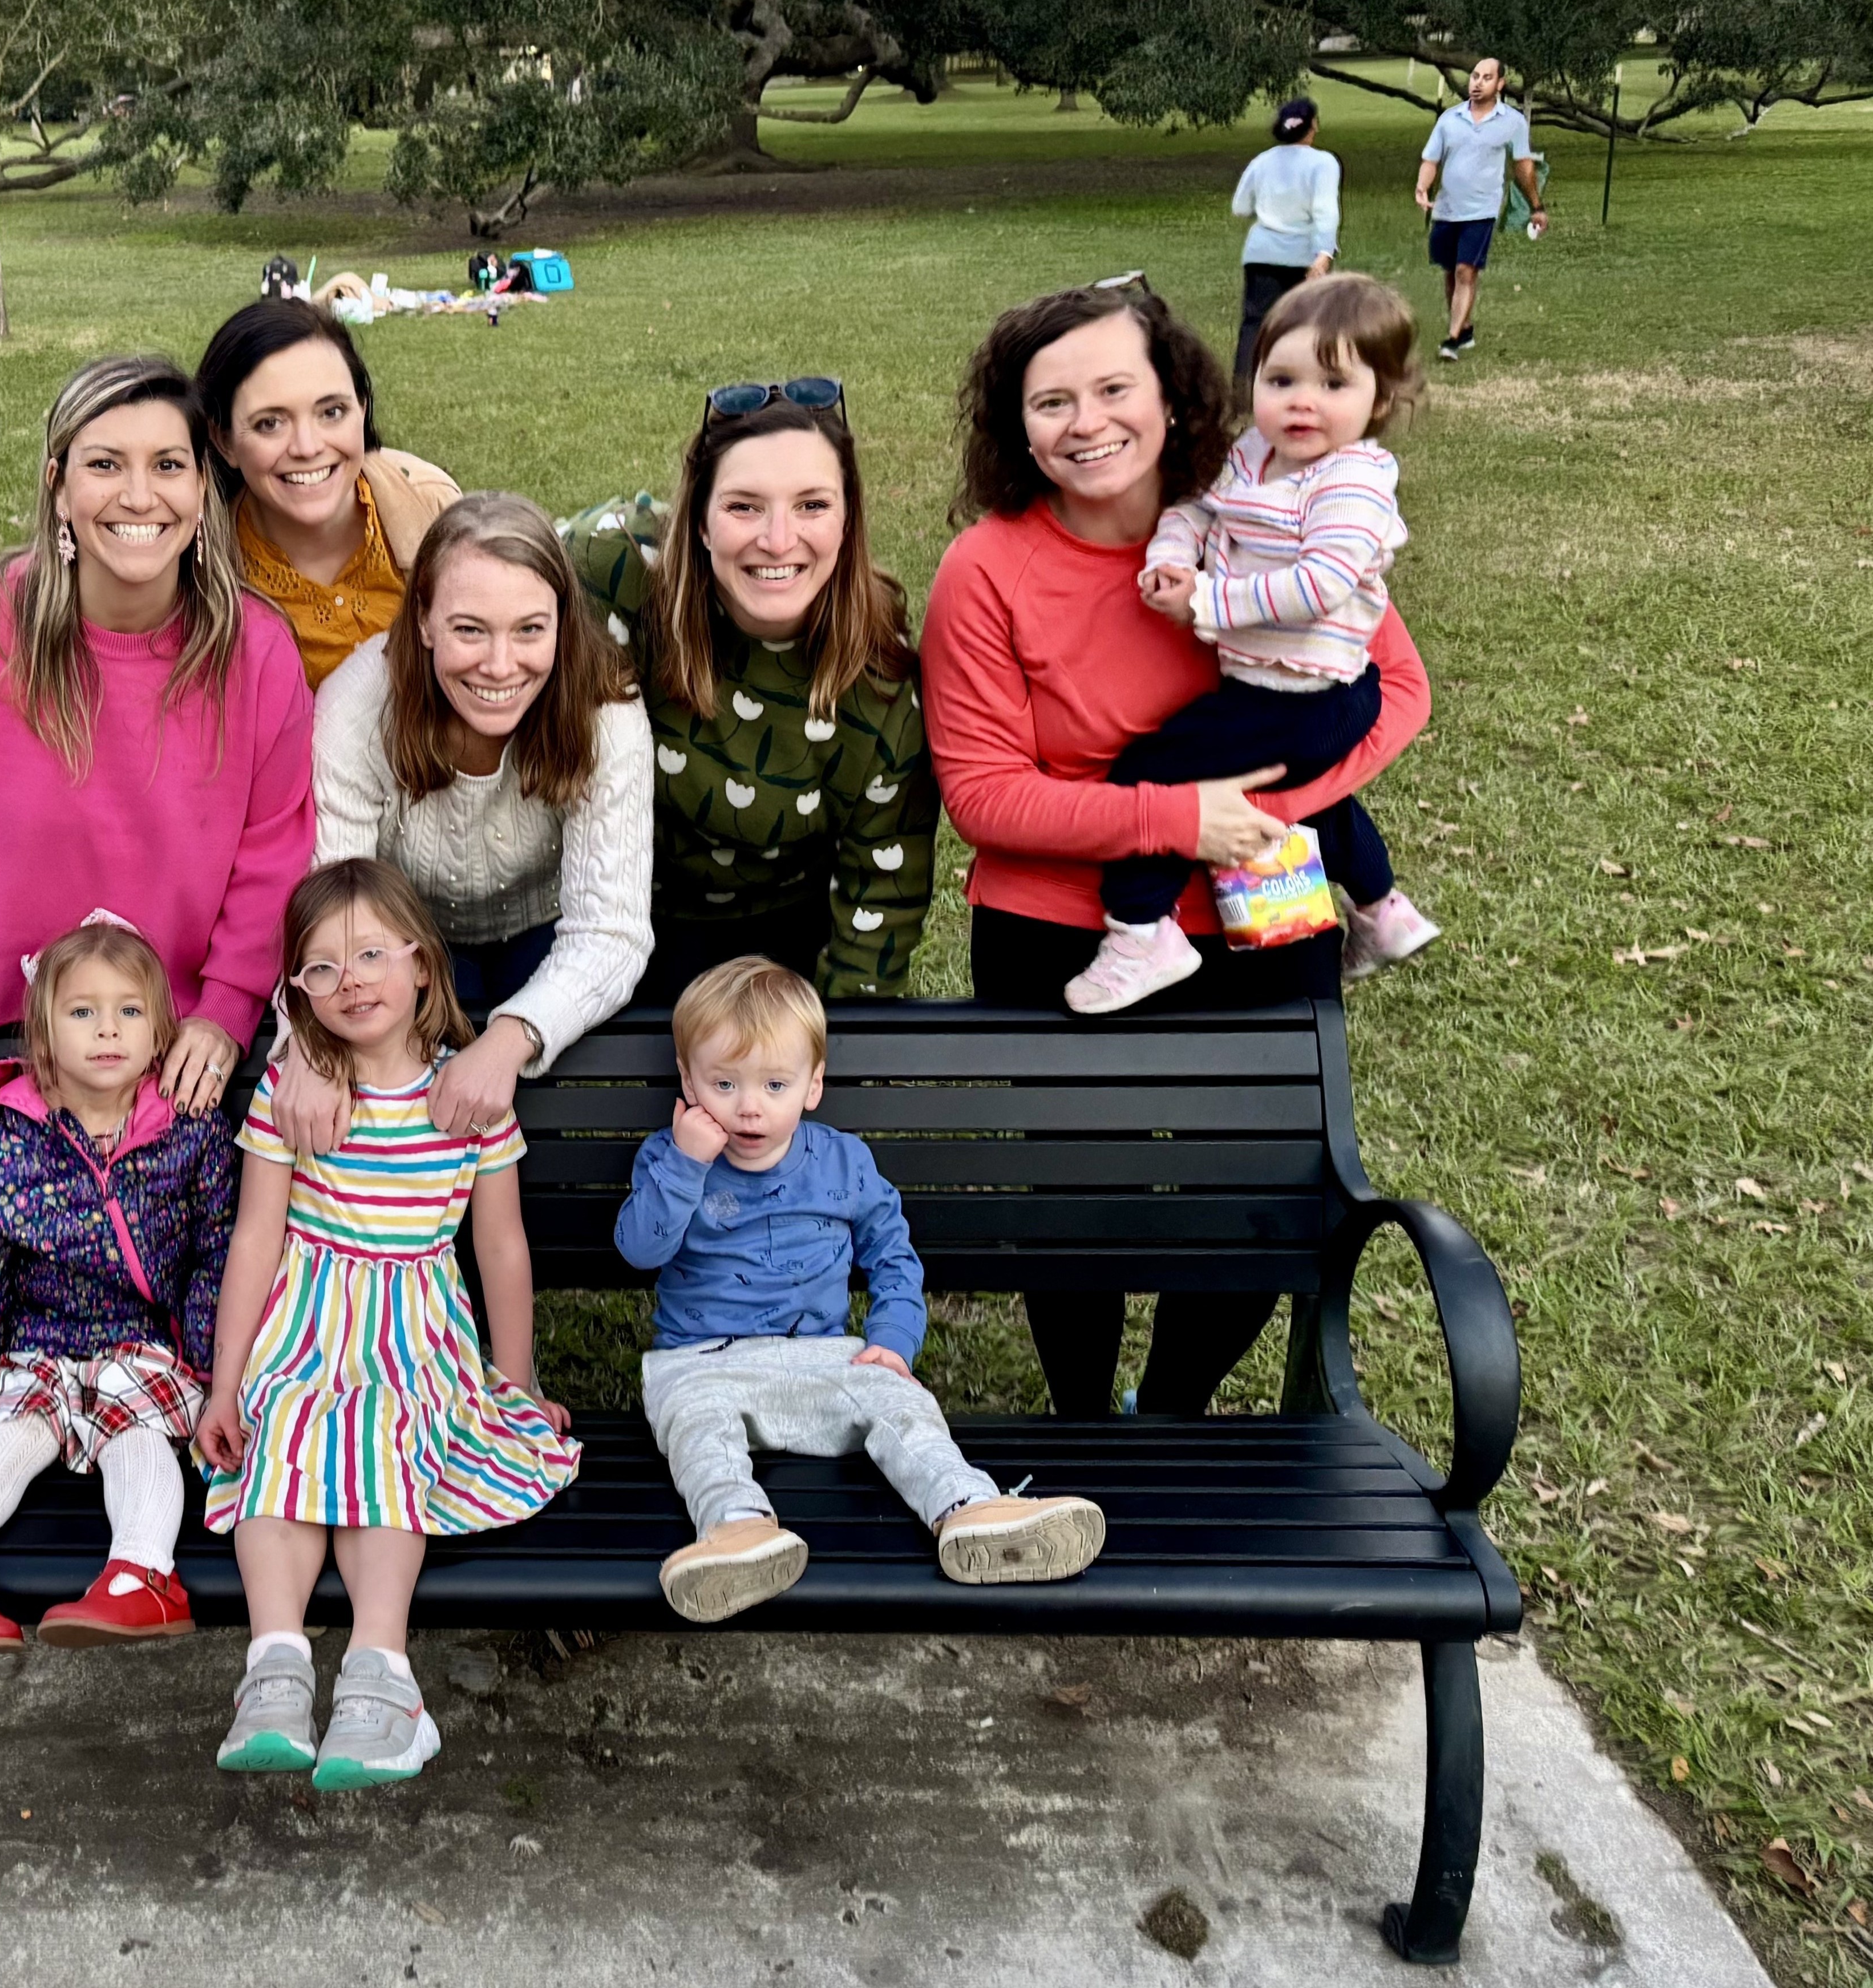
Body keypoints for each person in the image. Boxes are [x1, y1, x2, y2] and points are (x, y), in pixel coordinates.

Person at [919, 277, 1432, 1418]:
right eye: (1049, 401)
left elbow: (1393, 688)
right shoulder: (986, 570)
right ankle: (1082, 1415)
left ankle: (1173, 1403)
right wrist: (1173, 817)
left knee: (1267, 1194)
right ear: (1015, 425)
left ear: (1172, 395)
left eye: (1113, 387)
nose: (1085, 421)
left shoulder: (1266, 511)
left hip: (1269, 888)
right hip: (1058, 922)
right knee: (1071, 1204)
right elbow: (983, 796)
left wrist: (1272, 808)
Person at [199, 860, 579, 1788]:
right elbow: (254, 1242)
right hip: (306, 1323)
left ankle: (379, 1679)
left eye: (370, 953)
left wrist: (515, 1380)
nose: (350, 980)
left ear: (421, 965)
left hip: (414, 1331)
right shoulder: (289, 1095)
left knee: (385, 1427)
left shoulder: (469, 1099)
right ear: (297, 993)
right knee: (278, 1430)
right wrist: (225, 1384)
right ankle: (276, 1669)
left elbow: (500, 1248)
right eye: (320, 969)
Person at [0, 354, 314, 1120]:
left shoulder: (258, 652)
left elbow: (274, 854)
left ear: (202, 489)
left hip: (186, 1063)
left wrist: (227, 1007)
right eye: (105, 464)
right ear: (58, 486)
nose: (139, 495)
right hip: (16, 1060)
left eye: (168, 465)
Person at [613, 958, 1106, 1623]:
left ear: (813, 1085)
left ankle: (968, 1507)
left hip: (819, 1357)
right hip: (701, 1360)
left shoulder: (843, 1160)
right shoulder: (668, 1156)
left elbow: (891, 1253)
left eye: (774, 1083)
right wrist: (685, 1163)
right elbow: (640, 1248)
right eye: (723, 1083)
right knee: (698, 1429)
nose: (748, 1105)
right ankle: (737, 1531)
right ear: (686, 1079)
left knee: (898, 1402)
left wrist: (893, 1339)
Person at [1068, 273, 1442, 1013]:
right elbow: (1198, 508)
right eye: (1280, 378)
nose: (1300, 400)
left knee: (1149, 770)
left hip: (1306, 695)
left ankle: (1142, 932)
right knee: (1298, 800)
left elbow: (1320, 583)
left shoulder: (1352, 483)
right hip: (1282, 691)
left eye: (1332, 382)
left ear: (1381, 399)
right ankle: (1380, 908)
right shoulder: (1252, 455)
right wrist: (1170, 557)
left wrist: (1206, 601)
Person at [267, 491, 653, 1153]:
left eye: (530, 629)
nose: (500, 666)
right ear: (422, 621)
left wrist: (510, 1038)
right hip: (406, 940)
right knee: (400, 1112)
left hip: (544, 928)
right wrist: (312, 1040)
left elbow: (610, 929)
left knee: (532, 1112)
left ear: (563, 621)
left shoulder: (602, 711)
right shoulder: (360, 707)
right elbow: (332, 902)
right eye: (469, 629)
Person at [0, 920, 236, 1650]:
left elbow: (217, 1252)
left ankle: (140, 1576)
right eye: (82, 1012)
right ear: (43, 1036)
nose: (107, 1029)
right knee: (11, 1433)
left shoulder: (189, 1133)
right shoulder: (10, 1146)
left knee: (136, 1430)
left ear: (160, 1031)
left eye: (129, 1011)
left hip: (146, 1345)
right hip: (40, 1344)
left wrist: (207, 1359)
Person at [562, 378, 942, 1002]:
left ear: (848, 519)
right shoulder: (614, 571)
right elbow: (485, 581)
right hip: (596, 907)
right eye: (744, 506)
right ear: (701, 522)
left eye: (812, 506)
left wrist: (836, 1058)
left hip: (783, 934)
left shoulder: (880, 676)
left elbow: (882, 889)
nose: (777, 539)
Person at [197, 299, 462, 689]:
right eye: (270, 423)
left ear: (362, 408)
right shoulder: (198, 575)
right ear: (224, 441)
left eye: (332, 412)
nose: (307, 446)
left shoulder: (435, 508)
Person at [1416, 57, 1547, 363]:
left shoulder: (1513, 122)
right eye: (1475, 76)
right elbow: (1430, 160)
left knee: (1466, 271)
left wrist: (1536, 207)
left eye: (1486, 77)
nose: (1477, 82)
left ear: (1500, 84)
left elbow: (1524, 167)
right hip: (1447, 210)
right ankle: (1465, 328)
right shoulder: (1450, 119)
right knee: (1451, 273)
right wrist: (1423, 187)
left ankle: (1451, 340)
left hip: (1482, 211)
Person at [1228, 96, 1340, 383]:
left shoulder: (1262, 160)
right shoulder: (1324, 163)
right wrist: (1324, 253)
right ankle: (1301, 381)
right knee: (1307, 324)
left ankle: (1244, 389)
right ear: (1313, 126)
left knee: (1255, 323)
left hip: (1261, 253)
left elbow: (1240, 207)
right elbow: (1325, 210)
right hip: (1303, 256)